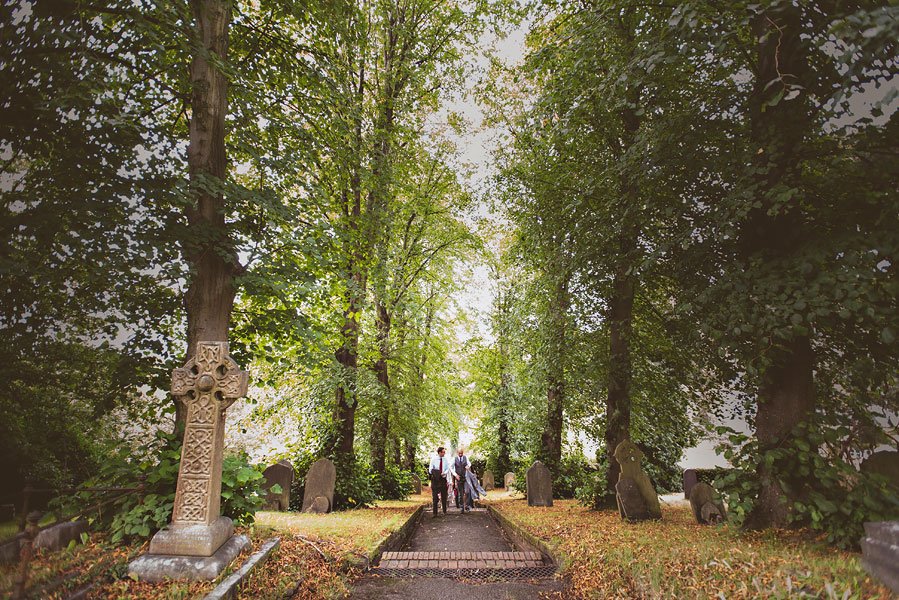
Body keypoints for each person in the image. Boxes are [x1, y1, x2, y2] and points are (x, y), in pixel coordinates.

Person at [428, 446, 451, 516]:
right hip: (435, 480)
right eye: (443, 452)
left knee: (444, 496)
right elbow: (430, 470)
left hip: (443, 479)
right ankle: (435, 513)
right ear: (439, 452)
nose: (444, 453)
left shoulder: (445, 460)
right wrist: (438, 473)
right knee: (435, 497)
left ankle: (444, 510)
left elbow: (447, 468)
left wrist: (445, 472)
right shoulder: (434, 460)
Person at [453, 447, 472, 513]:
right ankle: (461, 507)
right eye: (459, 453)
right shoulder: (454, 459)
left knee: (467, 492)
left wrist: (468, 466)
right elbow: (451, 468)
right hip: (459, 478)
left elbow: (469, 463)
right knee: (460, 494)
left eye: (462, 453)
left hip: (465, 477)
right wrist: (456, 475)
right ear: (457, 453)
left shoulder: (465, 457)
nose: (460, 454)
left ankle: (467, 506)